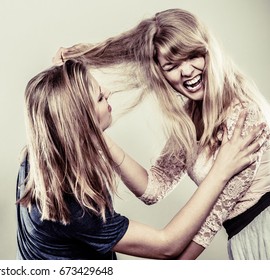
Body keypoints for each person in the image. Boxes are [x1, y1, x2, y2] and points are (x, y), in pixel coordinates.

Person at [53, 8, 270, 259]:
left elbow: (217, 212)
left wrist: (175, 264)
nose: (186, 71)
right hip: (243, 240)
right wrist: (97, 137)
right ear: (161, 74)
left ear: (208, 50)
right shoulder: (189, 118)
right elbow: (153, 188)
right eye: (172, 66)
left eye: (192, 56)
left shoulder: (244, 111)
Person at [16, 59, 265, 260]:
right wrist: (221, 170)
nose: (108, 92)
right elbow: (166, 245)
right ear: (82, 122)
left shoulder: (40, 156)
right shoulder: (69, 200)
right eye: (100, 98)